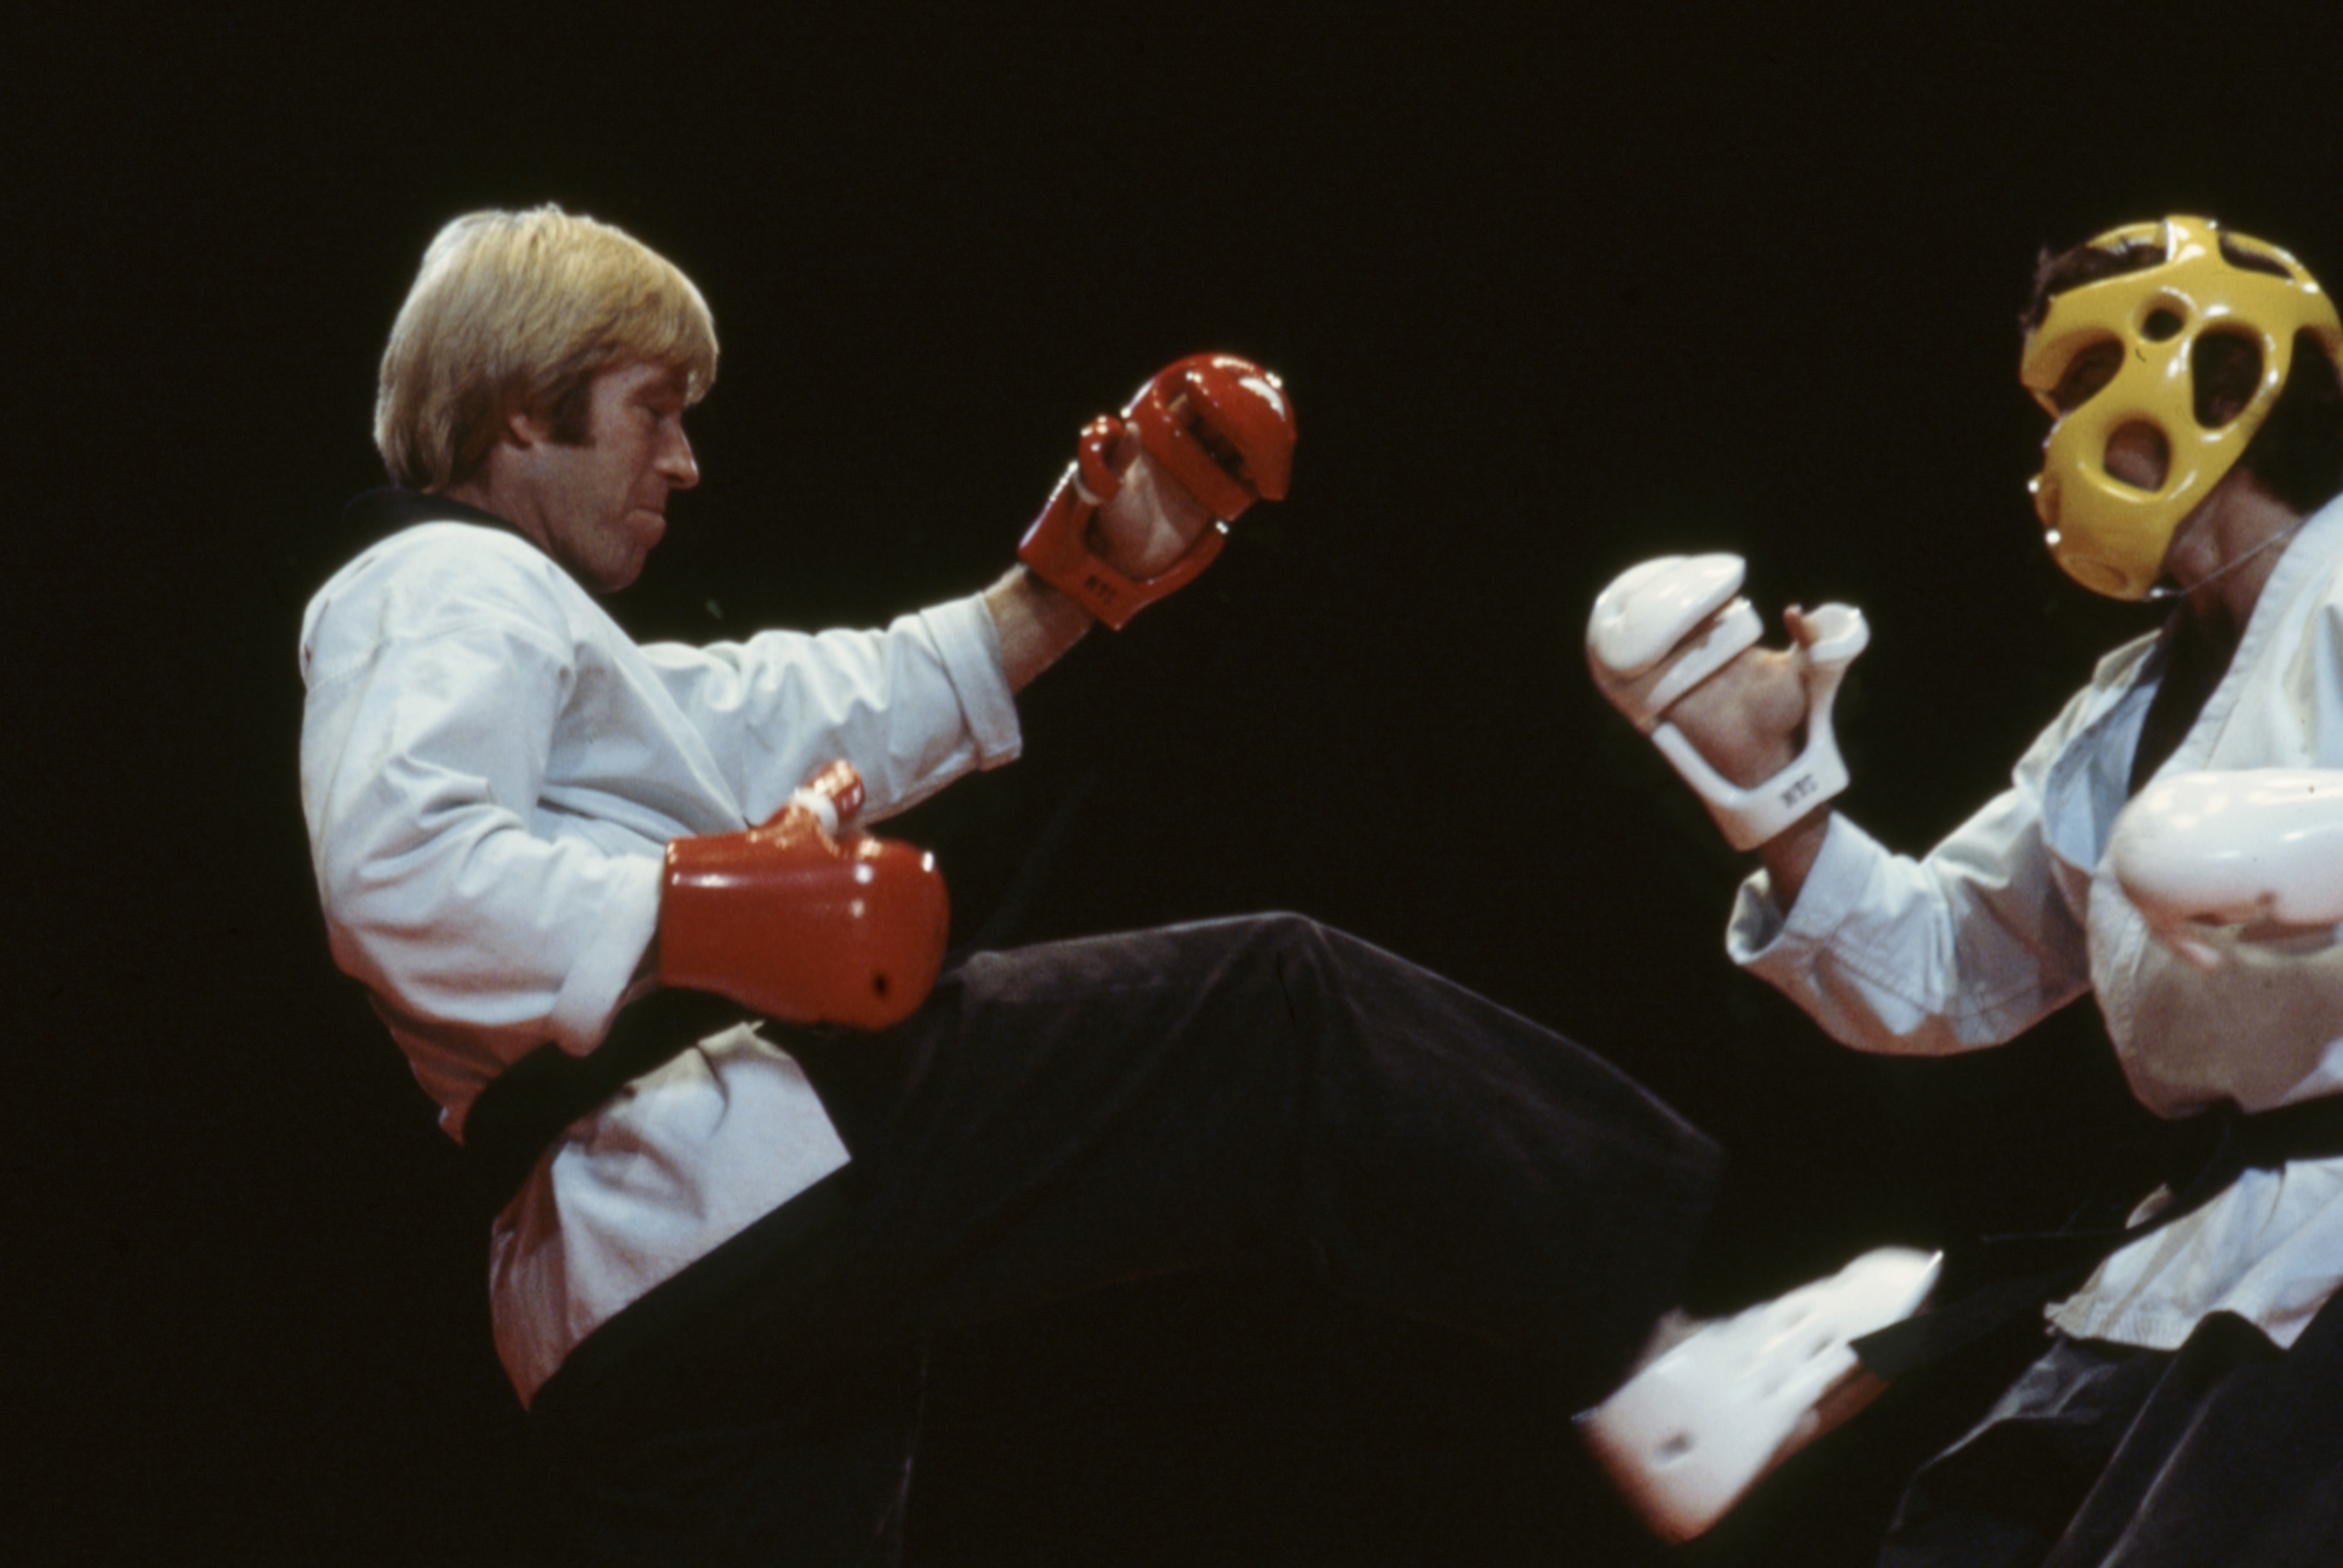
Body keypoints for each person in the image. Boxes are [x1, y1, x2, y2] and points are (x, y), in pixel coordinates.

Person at [301, 205, 1926, 1563]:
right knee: (1271, 1013)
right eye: (654, 407)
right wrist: (720, 911)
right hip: (696, 1170)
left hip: (622, 1309)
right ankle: (1649, 1359)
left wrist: (1066, 588)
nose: (685, 459)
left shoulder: (552, 645)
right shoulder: (438, 580)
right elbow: (400, 874)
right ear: (525, 410)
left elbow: (799, 698)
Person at [1590, 214, 2343, 1565]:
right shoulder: (2118, 711)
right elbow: (1946, 964)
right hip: (2204, 1247)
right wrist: (1772, 798)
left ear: (2222, 382)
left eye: (2080, 387)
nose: (2053, 447)